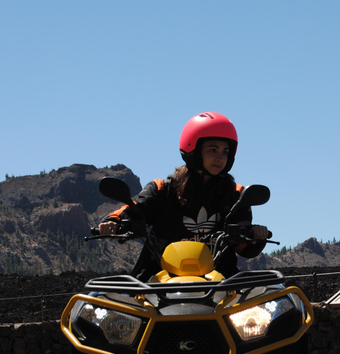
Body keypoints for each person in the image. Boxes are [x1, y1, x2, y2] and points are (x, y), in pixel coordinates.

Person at [99, 111, 268, 281]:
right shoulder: (162, 189)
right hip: (159, 278)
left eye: (225, 152)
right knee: (111, 303)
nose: (220, 157)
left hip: (218, 282)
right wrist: (114, 221)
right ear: (193, 149)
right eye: (213, 150)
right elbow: (135, 209)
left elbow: (244, 247)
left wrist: (255, 234)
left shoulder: (236, 195)